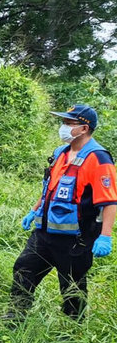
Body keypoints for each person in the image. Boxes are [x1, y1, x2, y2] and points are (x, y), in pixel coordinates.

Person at [10, 104, 116, 319]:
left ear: (84, 128)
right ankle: (15, 316)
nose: (63, 127)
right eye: (64, 122)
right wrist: (34, 210)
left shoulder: (98, 158)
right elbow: (50, 187)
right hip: (44, 233)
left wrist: (105, 236)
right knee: (24, 270)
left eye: (69, 123)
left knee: (72, 288)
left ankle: (72, 331)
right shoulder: (61, 153)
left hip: (75, 240)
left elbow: (110, 201)